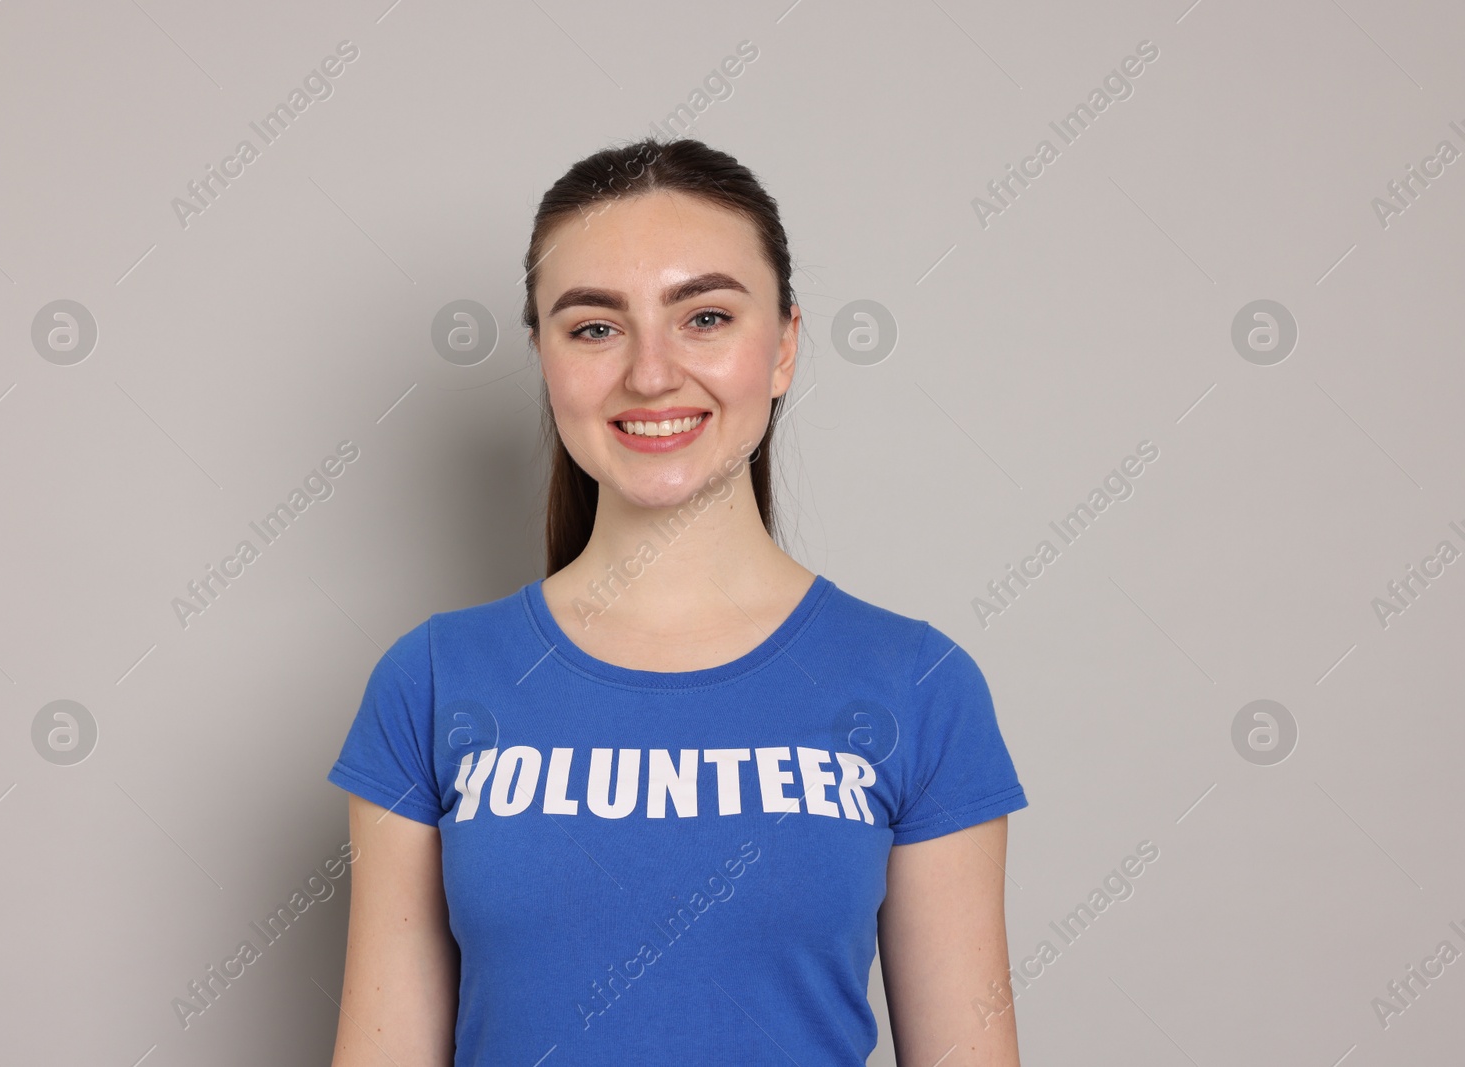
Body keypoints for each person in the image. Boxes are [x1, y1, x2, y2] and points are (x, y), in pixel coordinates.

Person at [326, 138, 1028, 1066]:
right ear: (544, 356)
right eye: (593, 327)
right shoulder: (429, 682)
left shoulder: (918, 686)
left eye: (704, 317)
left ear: (781, 348)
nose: (651, 374)